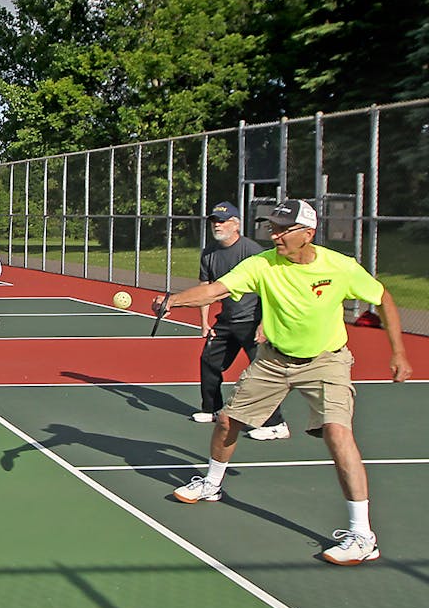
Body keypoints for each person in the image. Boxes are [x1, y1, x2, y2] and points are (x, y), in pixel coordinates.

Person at [154, 199, 413, 566]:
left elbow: (382, 296)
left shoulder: (340, 267)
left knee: (338, 434)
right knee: (227, 421)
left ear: (308, 233)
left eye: (282, 229)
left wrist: (399, 353)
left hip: (327, 361)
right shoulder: (262, 264)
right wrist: (173, 301)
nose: (273, 235)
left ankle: (362, 535)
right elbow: (216, 290)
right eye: (271, 228)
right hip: (273, 360)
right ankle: (212, 483)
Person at [194, 201, 288, 439]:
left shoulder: (253, 251)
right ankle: (212, 408)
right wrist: (205, 323)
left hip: (252, 320)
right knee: (209, 361)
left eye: (223, 221)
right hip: (225, 321)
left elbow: (270, 290)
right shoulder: (209, 253)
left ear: (236, 224)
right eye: (215, 221)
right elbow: (206, 288)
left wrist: (264, 324)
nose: (218, 225)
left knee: (261, 372)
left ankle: (275, 424)